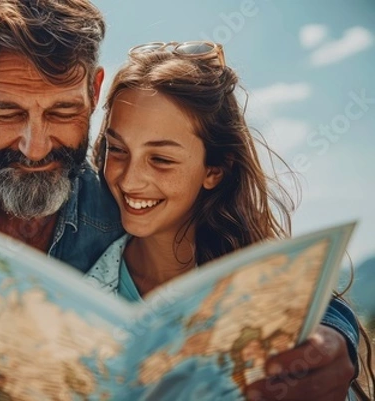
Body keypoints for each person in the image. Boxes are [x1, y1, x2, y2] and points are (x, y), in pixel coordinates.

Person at [0, 1, 365, 399]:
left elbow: (246, 258)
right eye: (7, 112)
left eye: (62, 112)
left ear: (95, 88)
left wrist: (335, 337)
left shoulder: (121, 199)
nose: (34, 146)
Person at [84, 40, 374, 400]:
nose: (129, 179)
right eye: (118, 149)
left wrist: (334, 332)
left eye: (160, 159)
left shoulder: (269, 294)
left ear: (215, 170)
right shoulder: (84, 273)